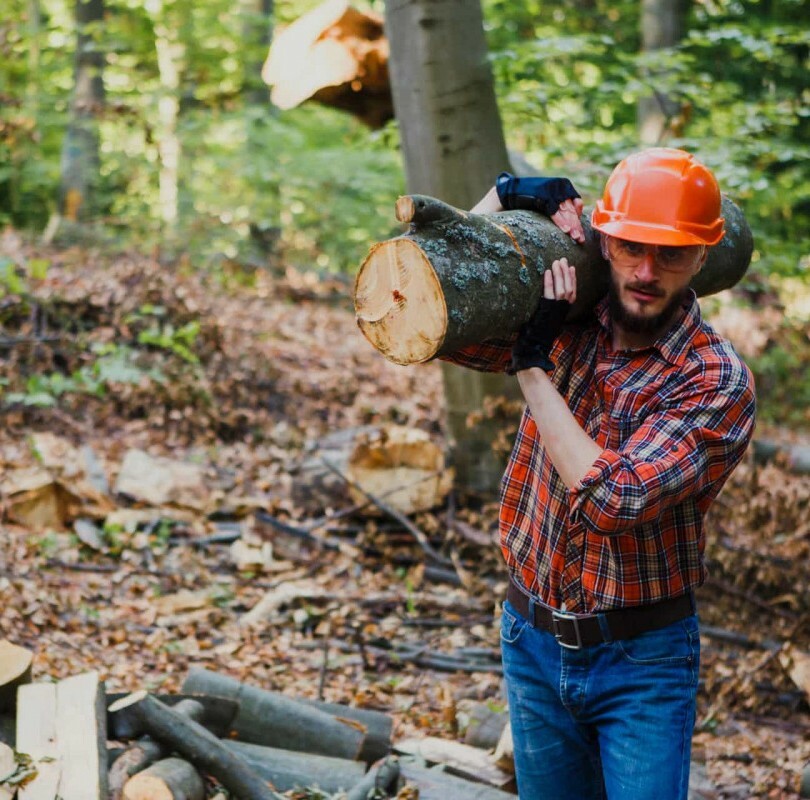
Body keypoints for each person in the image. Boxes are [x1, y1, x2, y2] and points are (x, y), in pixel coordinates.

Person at [445, 148, 756, 800]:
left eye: (671, 254)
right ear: (604, 240)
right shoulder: (567, 314)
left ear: (703, 257)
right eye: (632, 248)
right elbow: (435, 308)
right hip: (530, 640)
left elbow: (614, 497)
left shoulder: (714, 379)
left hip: (641, 662)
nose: (646, 271)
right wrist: (503, 196)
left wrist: (533, 368)